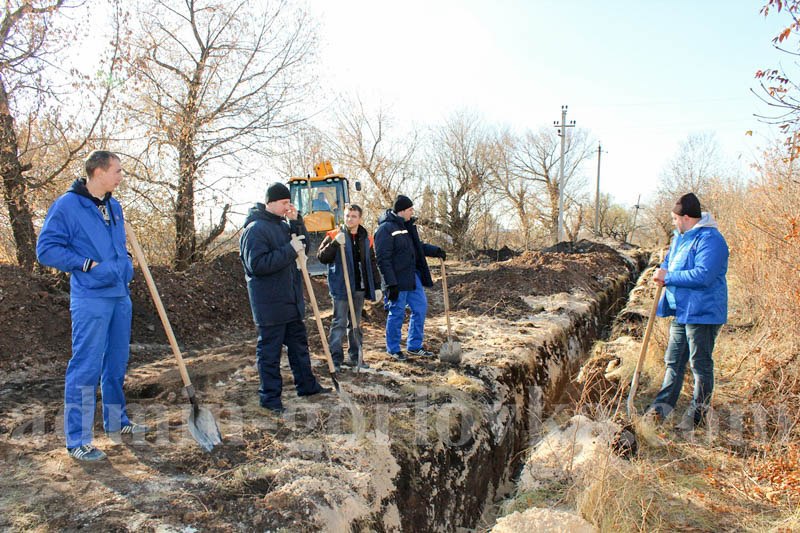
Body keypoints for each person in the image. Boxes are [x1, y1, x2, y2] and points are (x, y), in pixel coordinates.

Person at [37, 150, 147, 462]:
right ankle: (78, 440)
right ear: (98, 171)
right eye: (117, 170)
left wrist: (125, 263)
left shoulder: (114, 206)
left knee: (116, 364)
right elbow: (46, 250)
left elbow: (118, 247)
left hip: (119, 295)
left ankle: (117, 422)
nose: (120, 176)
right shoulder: (67, 206)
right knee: (85, 366)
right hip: (91, 298)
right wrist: (85, 264)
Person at [240, 182, 331, 413]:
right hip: (270, 303)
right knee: (270, 353)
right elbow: (257, 265)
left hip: (290, 299)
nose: (287, 206)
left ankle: (307, 386)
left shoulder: (283, 225)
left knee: (299, 346)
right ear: (270, 202)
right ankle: (270, 399)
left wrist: (296, 222)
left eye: (289, 203)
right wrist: (289, 249)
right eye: (283, 203)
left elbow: (303, 246)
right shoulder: (255, 229)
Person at [645, 192, 729, 431]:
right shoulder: (680, 238)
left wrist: (669, 276)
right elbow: (668, 262)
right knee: (673, 360)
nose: (673, 222)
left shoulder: (711, 240)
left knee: (699, 364)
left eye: (674, 218)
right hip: (682, 310)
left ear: (685, 217)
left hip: (703, 312)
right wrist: (662, 271)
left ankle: (697, 416)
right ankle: (661, 408)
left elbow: (703, 275)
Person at [374, 195, 446, 361]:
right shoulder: (385, 229)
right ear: (402, 211)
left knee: (420, 308)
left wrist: (435, 251)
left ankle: (414, 346)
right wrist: (390, 284)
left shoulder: (406, 226)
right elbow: (382, 259)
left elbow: (417, 247)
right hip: (397, 280)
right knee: (397, 313)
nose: (412, 212)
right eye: (410, 209)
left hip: (413, 277)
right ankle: (393, 349)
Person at [317, 204, 382, 371]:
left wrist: (376, 286)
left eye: (353, 216)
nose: (349, 219)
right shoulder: (334, 235)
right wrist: (334, 244)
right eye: (347, 216)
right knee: (339, 322)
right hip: (340, 286)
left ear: (360, 219)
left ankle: (356, 357)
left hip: (359, 287)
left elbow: (372, 263)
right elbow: (322, 257)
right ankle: (336, 359)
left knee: (355, 323)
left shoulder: (366, 239)